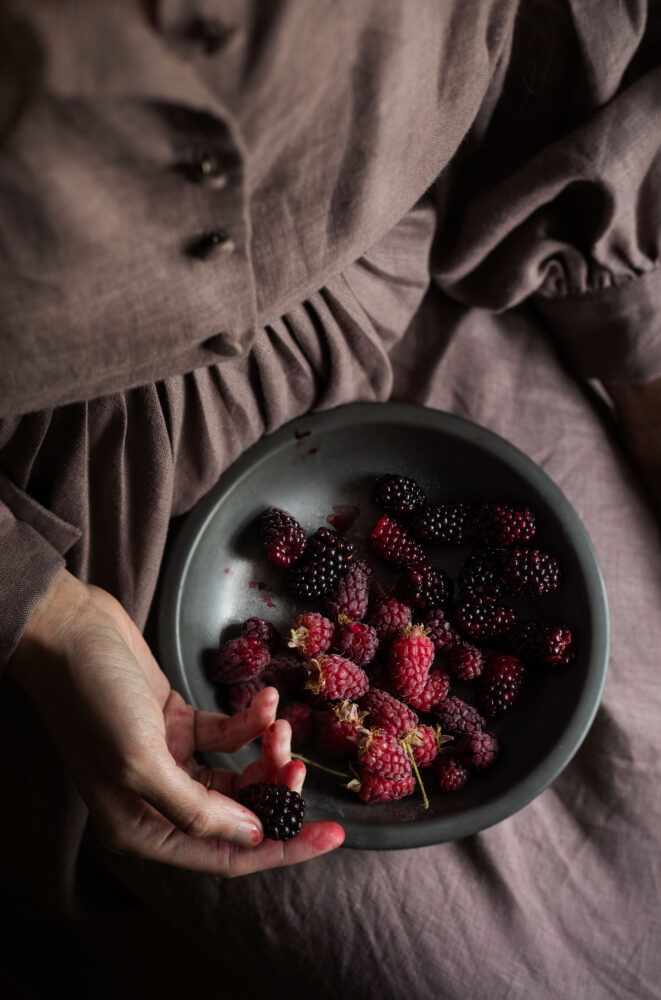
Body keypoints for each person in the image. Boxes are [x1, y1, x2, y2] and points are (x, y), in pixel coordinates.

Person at [1, 1, 660, 997]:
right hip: (81, 508)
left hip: (424, 271)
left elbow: (560, 48)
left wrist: (644, 371)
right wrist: (41, 615)